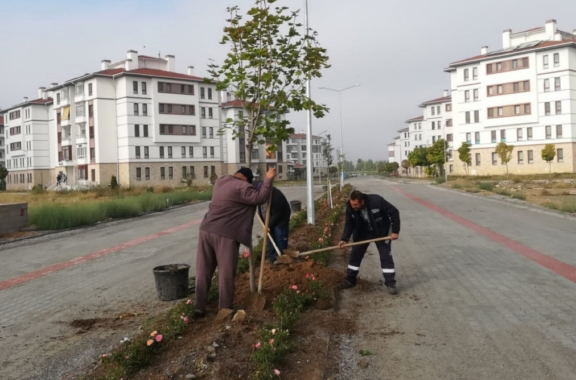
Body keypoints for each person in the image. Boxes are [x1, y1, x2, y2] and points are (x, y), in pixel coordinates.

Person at [194, 167, 276, 316]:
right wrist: (269, 178)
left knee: (203, 270)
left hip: (206, 230)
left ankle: (199, 305)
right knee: (226, 271)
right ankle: (225, 308)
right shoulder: (242, 187)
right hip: (225, 234)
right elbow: (260, 198)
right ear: (245, 179)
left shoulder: (220, 181)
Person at [338, 190, 401, 294]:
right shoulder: (350, 207)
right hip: (363, 232)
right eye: (351, 204)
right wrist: (344, 239)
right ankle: (350, 280)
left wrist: (395, 231)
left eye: (355, 204)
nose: (353, 206)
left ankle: (390, 283)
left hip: (381, 231)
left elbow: (394, 212)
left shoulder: (376, 201)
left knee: (386, 256)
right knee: (355, 255)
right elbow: (349, 224)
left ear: (362, 201)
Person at [255, 181, 291, 264]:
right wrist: (264, 224)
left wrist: (268, 225)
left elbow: (277, 214)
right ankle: (272, 257)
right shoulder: (260, 196)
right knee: (270, 238)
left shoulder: (276, 196)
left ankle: (281, 257)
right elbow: (260, 210)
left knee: (280, 237)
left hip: (281, 219)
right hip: (269, 220)